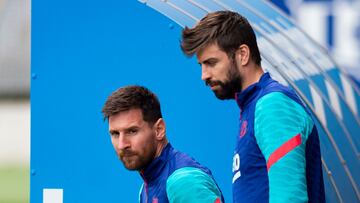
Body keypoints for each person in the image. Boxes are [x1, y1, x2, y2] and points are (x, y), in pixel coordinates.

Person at [180, 11, 325, 203]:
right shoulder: (253, 106)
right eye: (201, 65)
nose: (204, 75)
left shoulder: (272, 105)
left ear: (242, 55)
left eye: (211, 63)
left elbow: (290, 198)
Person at [102, 85, 224, 203]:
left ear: (159, 129)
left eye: (132, 131)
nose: (122, 144)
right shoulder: (145, 189)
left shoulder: (183, 182)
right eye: (115, 134)